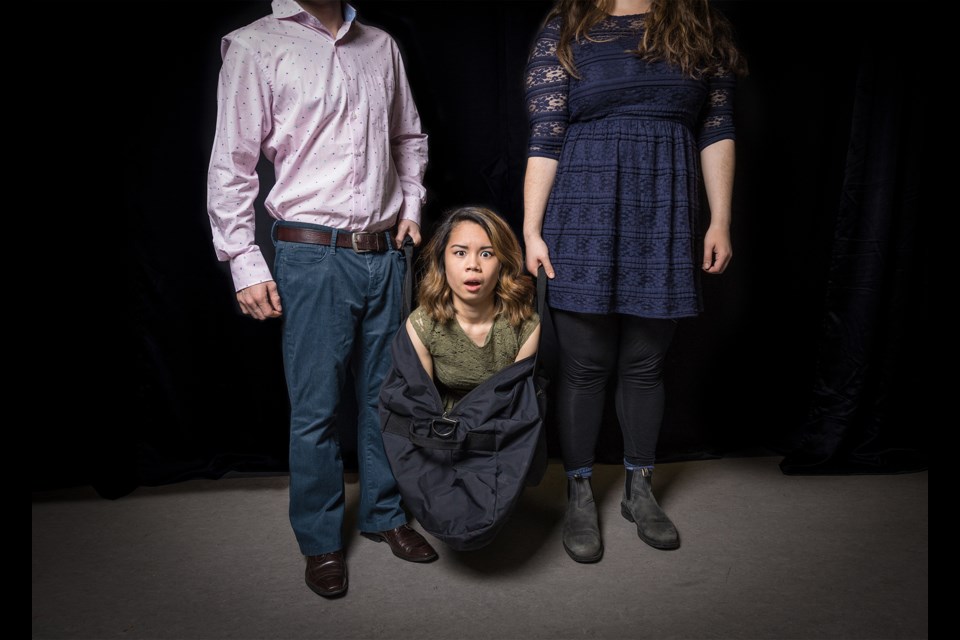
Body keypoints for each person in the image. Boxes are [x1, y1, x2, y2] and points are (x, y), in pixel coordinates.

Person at [206, 0, 438, 599]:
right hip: (310, 254)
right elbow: (232, 163)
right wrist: (243, 260)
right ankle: (320, 539)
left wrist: (410, 206)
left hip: (386, 253)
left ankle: (384, 513)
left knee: (388, 395)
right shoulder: (256, 45)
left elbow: (408, 135)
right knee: (316, 408)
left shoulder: (380, 44)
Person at [523, 0, 747, 563]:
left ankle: (639, 488)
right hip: (581, 209)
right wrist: (531, 230)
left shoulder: (699, 23)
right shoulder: (567, 28)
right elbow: (545, 135)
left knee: (645, 363)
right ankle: (579, 491)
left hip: (664, 209)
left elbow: (716, 126)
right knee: (584, 364)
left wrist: (720, 219)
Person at [406, 206, 541, 409]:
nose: (473, 265)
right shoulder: (421, 325)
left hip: (506, 431)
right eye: (460, 253)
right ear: (442, 260)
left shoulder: (526, 325)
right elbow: (422, 403)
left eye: (486, 254)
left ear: (502, 263)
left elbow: (517, 405)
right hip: (442, 432)